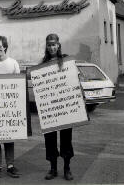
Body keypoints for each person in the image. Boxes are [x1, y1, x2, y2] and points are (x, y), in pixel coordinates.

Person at [0, 35, 21, 179]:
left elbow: (18, 86)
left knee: (9, 136)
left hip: (10, 106)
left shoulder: (13, 63)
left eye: (0, 46)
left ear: (5, 47)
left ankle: (10, 165)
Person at [41, 33, 74, 181]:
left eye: (54, 44)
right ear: (46, 47)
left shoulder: (66, 60)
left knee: (66, 138)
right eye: (49, 44)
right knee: (50, 138)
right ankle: (53, 168)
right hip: (50, 107)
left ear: (58, 45)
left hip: (65, 106)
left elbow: (72, 80)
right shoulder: (43, 63)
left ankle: (67, 168)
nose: (52, 47)